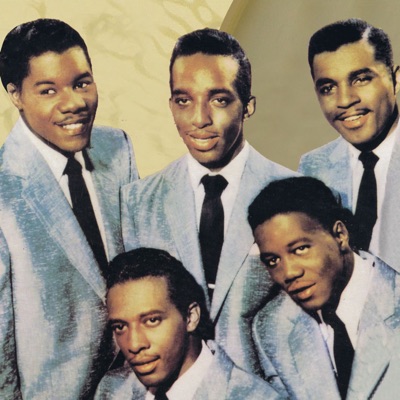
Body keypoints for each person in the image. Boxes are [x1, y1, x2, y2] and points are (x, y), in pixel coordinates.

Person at [121, 28, 294, 377]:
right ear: (171, 105)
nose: (199, 119)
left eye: (219, 100)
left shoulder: (295, 195)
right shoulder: (138, 202)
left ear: (248, 107)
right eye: (183, 100)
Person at [0, 19, 138, 399]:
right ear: (16, 95)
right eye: (48, 90)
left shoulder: (117, 148)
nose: (75, 103)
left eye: (82, 83)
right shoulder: (4, 190)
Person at [247, 176, 400, 399]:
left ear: (340, 235)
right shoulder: (272, 326)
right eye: (273, 261)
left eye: (300, 249)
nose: (289, 273)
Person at [94, 248, 280, 400]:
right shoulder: (111, 390)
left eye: (152, 320)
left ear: (191, 317)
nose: (134, 344)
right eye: (120, 327)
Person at [298, 18, 400, 273]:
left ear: (395, 80)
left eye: (361, 79)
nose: (344, 100)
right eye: (328, 88)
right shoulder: (313, 167)